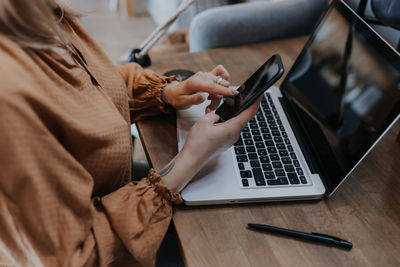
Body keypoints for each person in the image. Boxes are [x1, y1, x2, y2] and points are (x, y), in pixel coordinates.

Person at [0, 1, 260, 266]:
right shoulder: (8, 98)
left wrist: (166, 92)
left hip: (119, 196)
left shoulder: (44, 13)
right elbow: (75, 257)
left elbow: (90, 86)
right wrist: (190, 158)